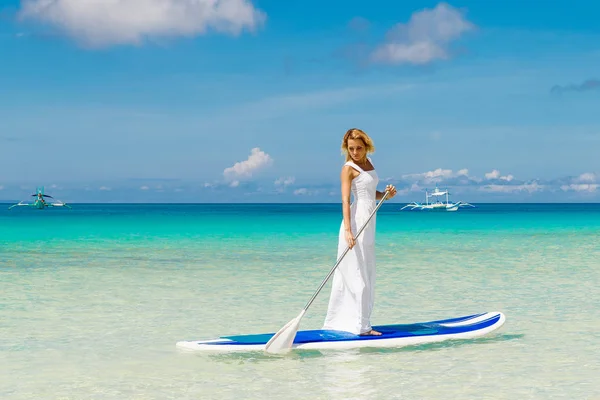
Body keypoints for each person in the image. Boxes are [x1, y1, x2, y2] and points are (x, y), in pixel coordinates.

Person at [323, 128, 397, 336]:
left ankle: (360, 321)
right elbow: (346, 200)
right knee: (356, 274)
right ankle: (361, 326)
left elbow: (370, 192)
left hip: (369, 220)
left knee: (367, 271)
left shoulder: (369, 164)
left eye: (359, 148)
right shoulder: (347, 168)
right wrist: (348, 230)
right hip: (355, 222)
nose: (355, 152)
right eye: (351, 148)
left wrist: (386, 195)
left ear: (366, 147)